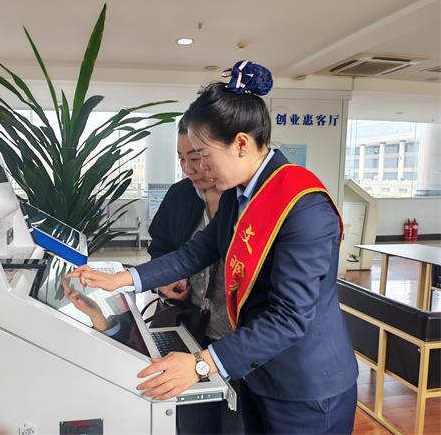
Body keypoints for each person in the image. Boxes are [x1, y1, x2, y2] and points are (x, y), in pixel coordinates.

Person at [67, 60, 359, 434]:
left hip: (305, 385)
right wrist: (122, 278)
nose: (199, 169)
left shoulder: (303, 207)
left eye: (203, 156)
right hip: (257, 371)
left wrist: (201, 364)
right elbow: (197, 252)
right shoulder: (240, 195)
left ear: (241, 144)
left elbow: (290, 317)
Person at [148, 115, 243, 434]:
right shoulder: (180, 195)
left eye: (197, 157)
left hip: (241, 344)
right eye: (181, 159)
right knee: (193, 424)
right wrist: (162, 281)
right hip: (192, 332)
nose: (189, 169)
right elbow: (161, 245)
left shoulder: (246, 200)